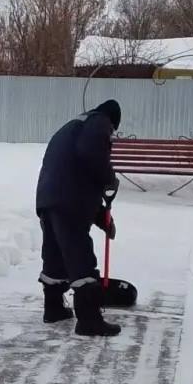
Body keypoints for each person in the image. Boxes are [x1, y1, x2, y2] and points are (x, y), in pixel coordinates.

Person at [35, 99, 122, 337]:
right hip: (70, 201)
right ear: (112, 120)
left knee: (54, 256)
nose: (111, 134)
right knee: (80, 256)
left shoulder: (72, 126)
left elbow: (73, 172)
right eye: (113, 131)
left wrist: (102, 216)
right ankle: (89, 320)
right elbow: (91, 156)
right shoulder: (99, 122)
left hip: (48, 198)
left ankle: (53, 309)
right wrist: (109, 179)